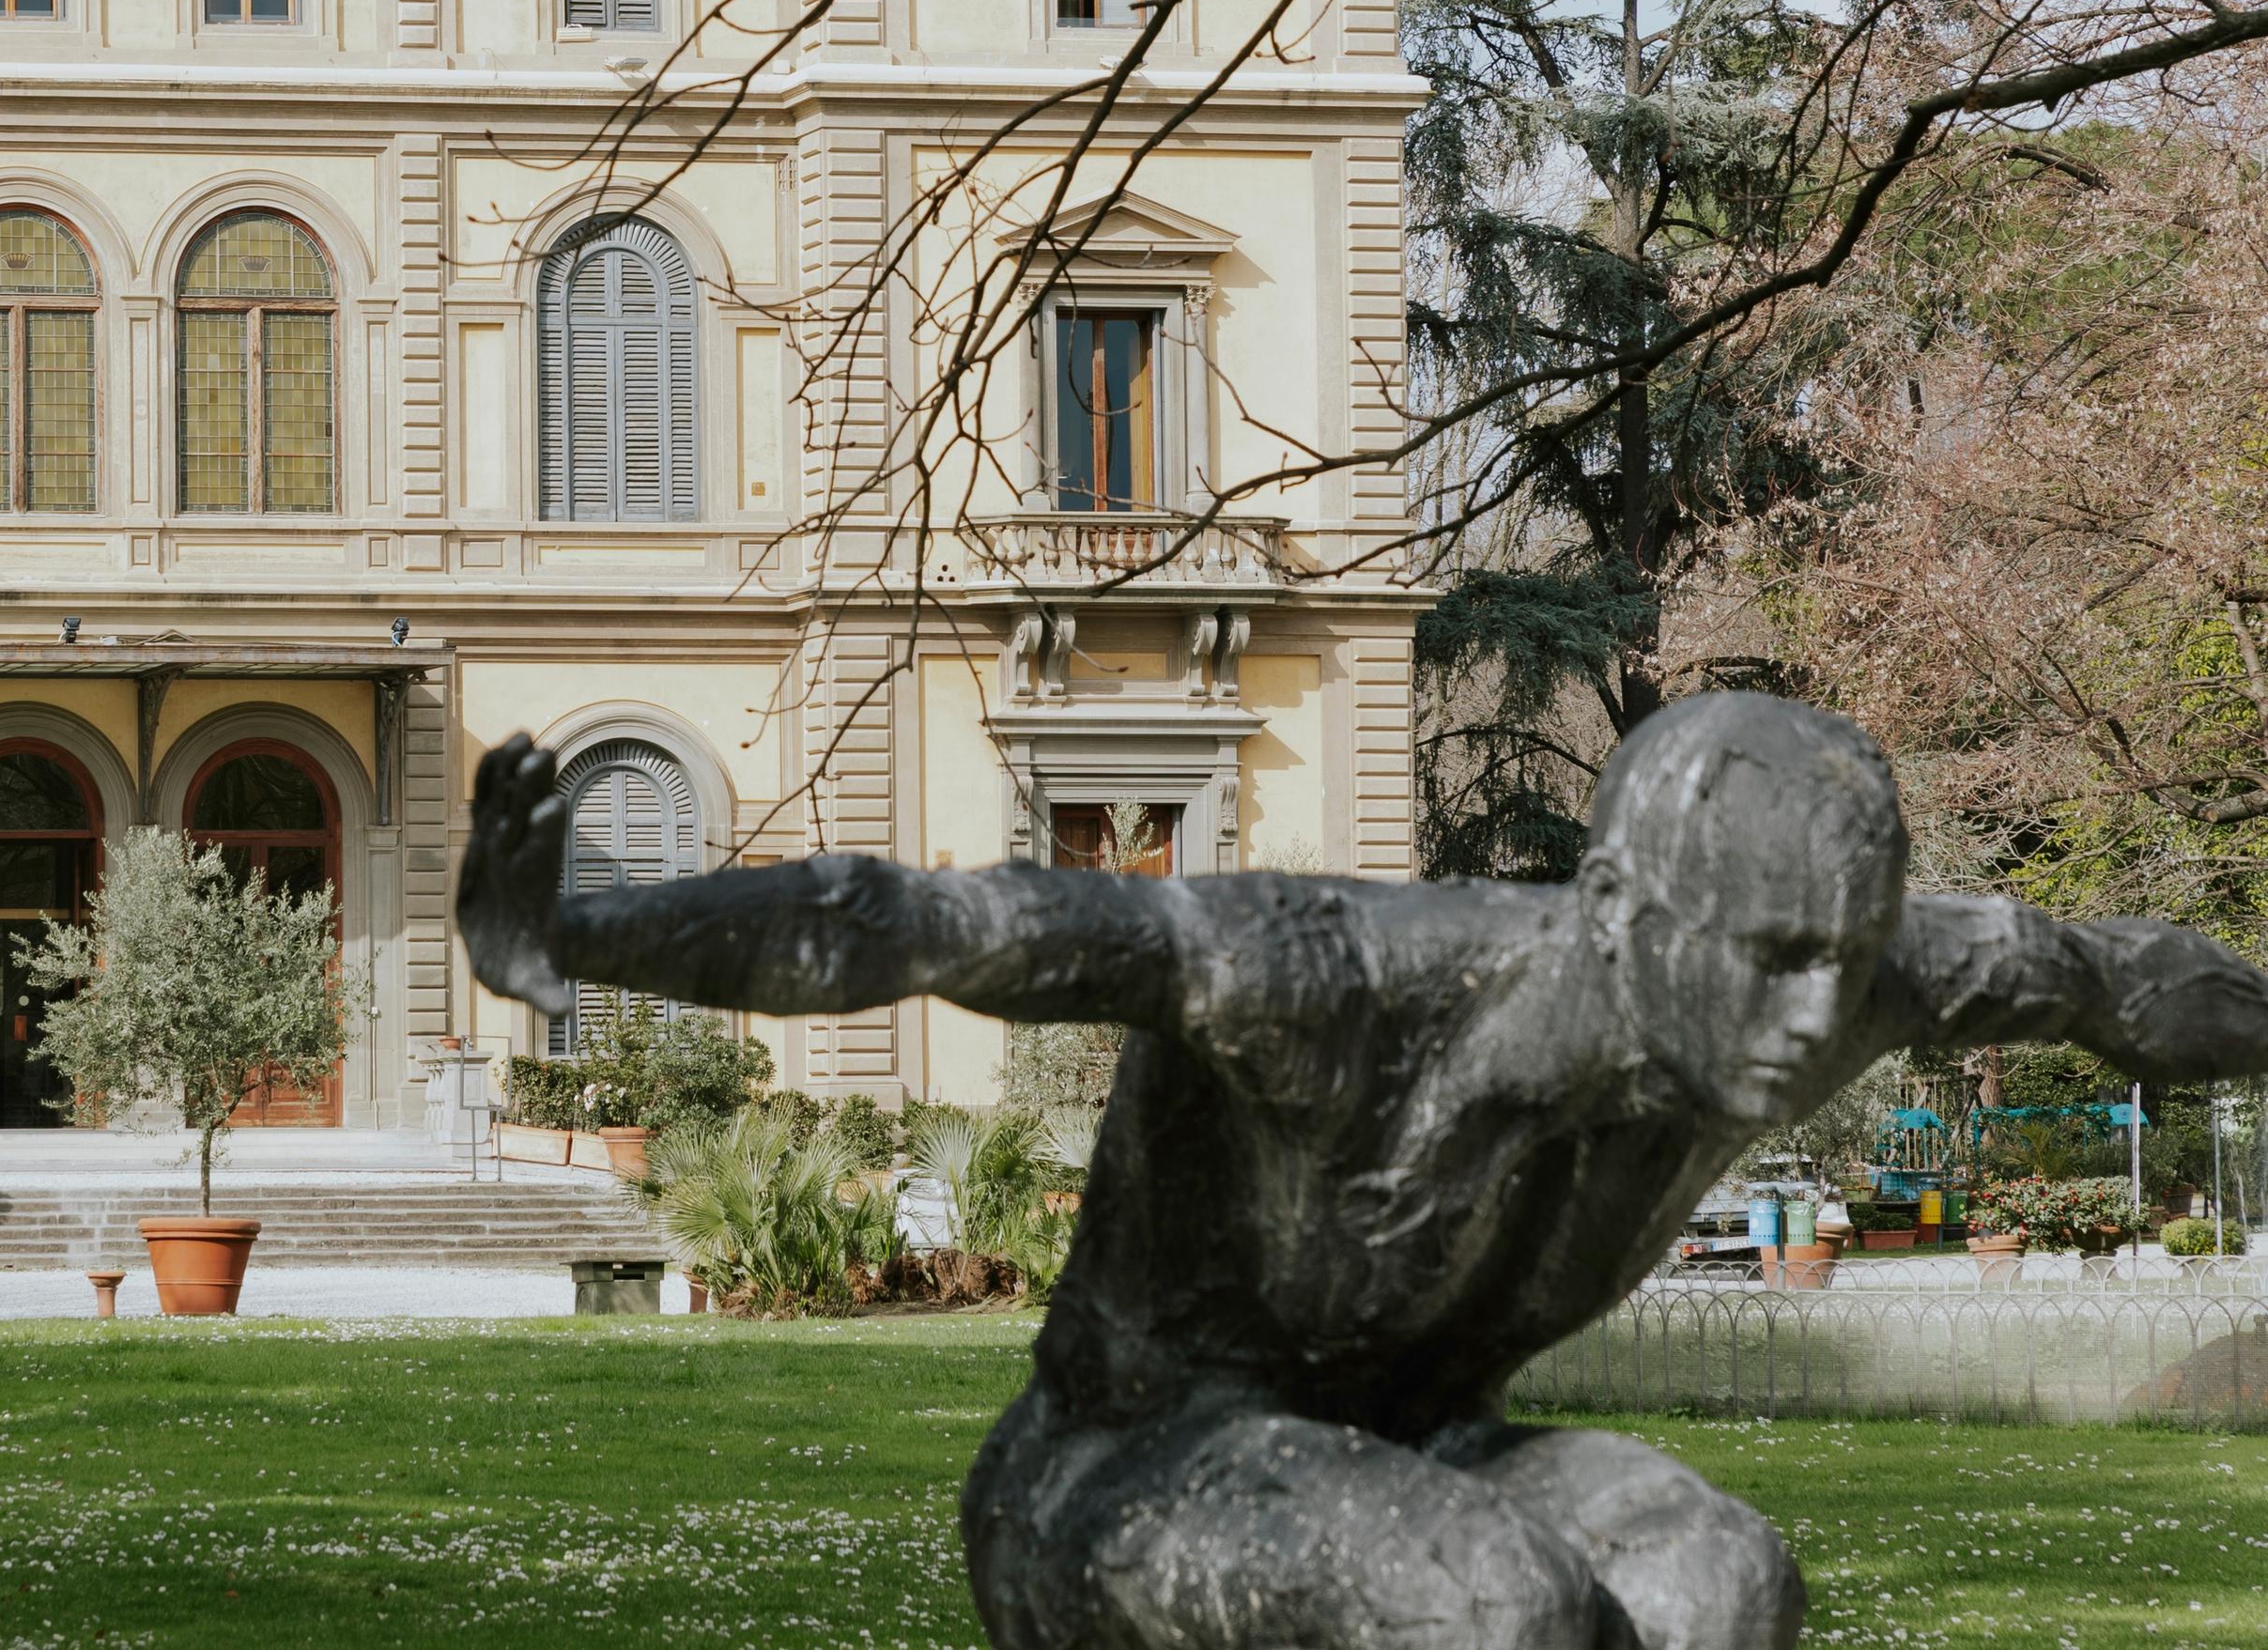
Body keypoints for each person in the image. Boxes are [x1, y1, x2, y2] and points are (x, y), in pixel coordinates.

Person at [457, 693, 2268, 1650]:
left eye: (1846, 957)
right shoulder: (1336, 984)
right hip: (1118, 1473)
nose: (1816, 1014)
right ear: (1631, 913)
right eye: (1773, 953)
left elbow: (2119, 975)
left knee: (1723, 1581)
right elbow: (941, 921)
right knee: (1488, 1607)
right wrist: (567, 933)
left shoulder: (1848, 973)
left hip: (1422, 1449)